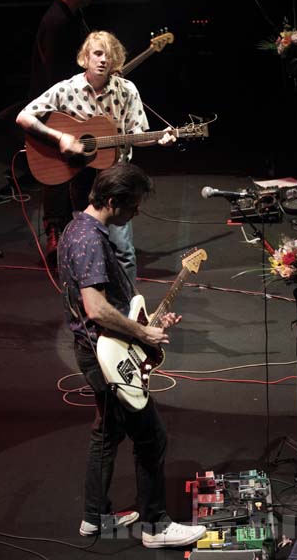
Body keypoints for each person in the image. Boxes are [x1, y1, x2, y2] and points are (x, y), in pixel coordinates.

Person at [57, 162, 207, 548]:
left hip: (96, 350)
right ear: (112, 201)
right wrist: (141, 331)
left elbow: (112, 306)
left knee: (106, 434)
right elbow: (95, 308)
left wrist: (147, 321)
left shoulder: (77, 229)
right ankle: (156, 526)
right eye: (134, 206)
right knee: (151, 438)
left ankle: (96, 517)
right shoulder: (90, 240)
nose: (137, 213)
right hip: (105, 356)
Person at [17, 30, 175, 282]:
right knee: (89, 246)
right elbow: (24, 116)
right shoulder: (67, 89)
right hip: (83, 177)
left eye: (109, 56)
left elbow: (137, 133)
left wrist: (159, 138)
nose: (103, 60)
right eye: (97, 54)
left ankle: (127, 308)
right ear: (85, 58)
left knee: (123, 250)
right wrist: (60, 138)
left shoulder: (127, 90)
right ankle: (90, 306)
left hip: (117, 178)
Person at [29, 0, 95, 262]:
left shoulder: (74, 15)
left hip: (68, 106)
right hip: (56, 109)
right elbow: (56, 74)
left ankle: (75, 229)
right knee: (56, 172)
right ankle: (56, 232)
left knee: (75, 169)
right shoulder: (57, 21)